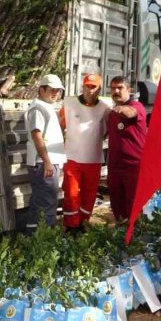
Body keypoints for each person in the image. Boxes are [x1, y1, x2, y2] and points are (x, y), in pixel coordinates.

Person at [59, 74, 111, 233]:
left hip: (94, 159)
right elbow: (60, 126)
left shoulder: (104, 108)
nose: (90, 89)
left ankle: (83, 224)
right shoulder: (69, 104)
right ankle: (71, 226)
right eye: (87, 86)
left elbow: (108, 130)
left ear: (99, 89)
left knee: (89, 195)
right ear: (83, 86)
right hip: (72, 158)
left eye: (93, 86)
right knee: (71, 193)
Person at [22, 74, 66, 234]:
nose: (56, 93)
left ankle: (32, 239)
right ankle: (45, 242)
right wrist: (47, 161)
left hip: (46, 163)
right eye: (52, 90)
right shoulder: (38, 109)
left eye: (58, 91)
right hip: (43, 164)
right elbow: (36, 135)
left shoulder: (45, 107)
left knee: (39, 203)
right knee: (47, 204)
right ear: (41, 89)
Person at [105, 75, 148, 223]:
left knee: (134, 205)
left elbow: (131, 113)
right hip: (115, 167)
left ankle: (135, 238)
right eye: (113, 88)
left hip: (133, 167)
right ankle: (121, 234)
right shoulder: (111, 114)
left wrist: (121, 109)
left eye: (120, 88)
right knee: (117, 204)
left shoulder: (136, 106)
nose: (116, 91)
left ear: (129, 90)